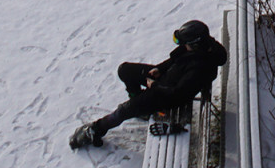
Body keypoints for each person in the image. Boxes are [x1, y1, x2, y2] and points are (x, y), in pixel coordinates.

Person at [68, 19, 228, 150]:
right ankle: (138, 102)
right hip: (165, 80)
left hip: (166, 97)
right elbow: (176, 61)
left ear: (195, 44)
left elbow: (178, 94)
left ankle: (96, 129)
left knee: (123, 110)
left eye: (184, 43)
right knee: (125, 70)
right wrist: (160, 69)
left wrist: (154, 86)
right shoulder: (199, 49)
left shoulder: (200, 68)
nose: (182, 46)